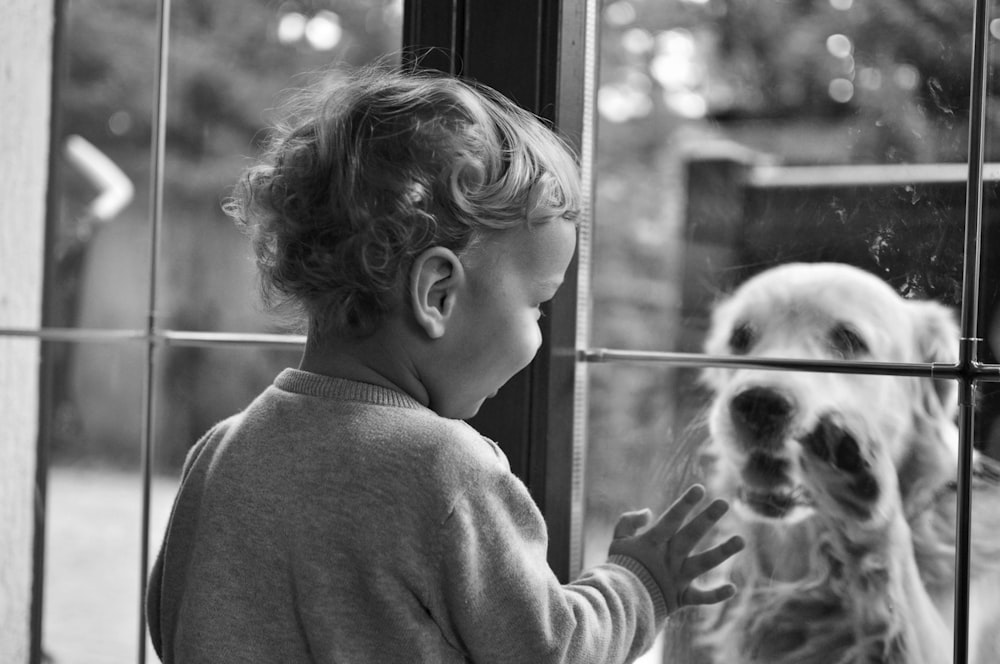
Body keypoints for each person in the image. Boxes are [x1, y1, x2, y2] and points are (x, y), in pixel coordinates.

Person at [146, 61, 744, 664]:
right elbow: (552, 649)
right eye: (537, 304)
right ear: (437, 293)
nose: (538, 334)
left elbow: (170, 621)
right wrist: (640, 584)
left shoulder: (221, 452)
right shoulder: (444, 472)